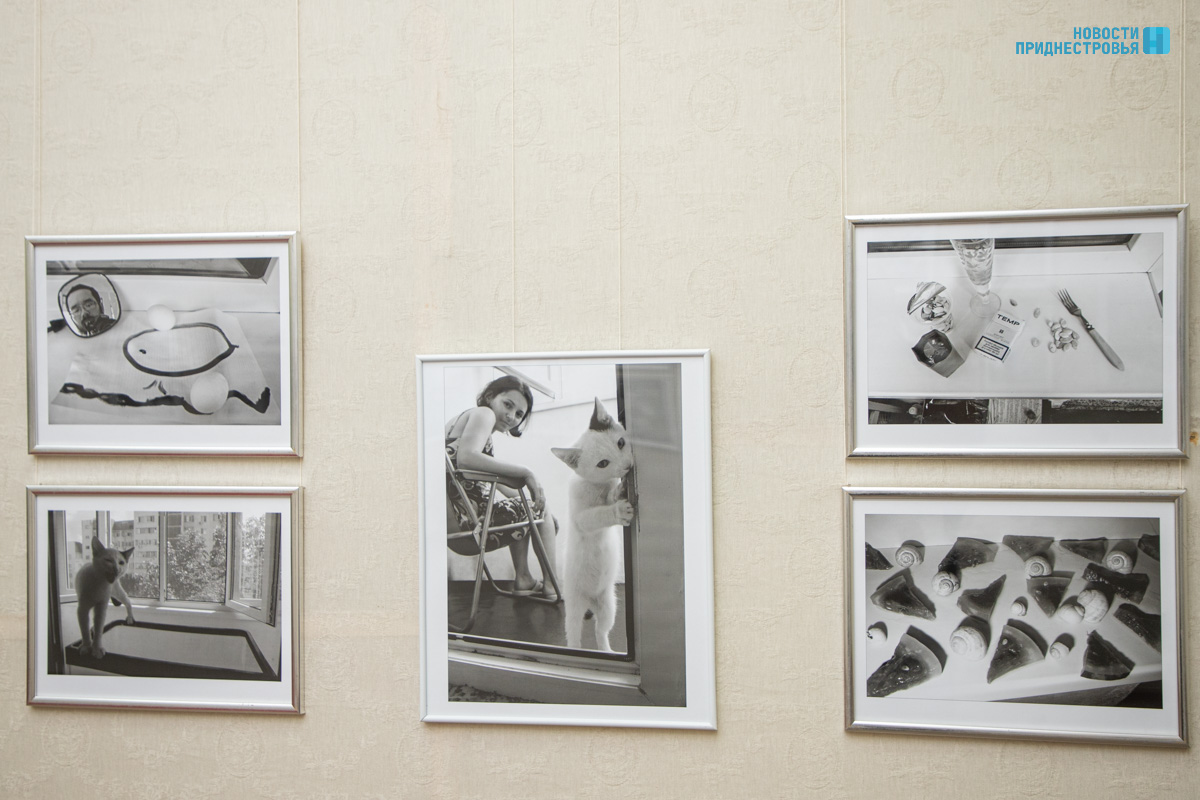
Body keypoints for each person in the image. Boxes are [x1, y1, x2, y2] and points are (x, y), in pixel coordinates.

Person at [446, 375, 557, 600]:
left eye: (519, 414)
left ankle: (524, 578)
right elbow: (466, 458)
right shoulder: (483, 413)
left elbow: (490, 482)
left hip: (456, 531)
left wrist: (536, 501)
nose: (511, 416)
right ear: (489, 397)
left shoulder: (465, 428)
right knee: (537, 512)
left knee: (530, 508)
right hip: (471, 529)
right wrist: (526, 472)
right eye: (508, 405)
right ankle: (552, 584)